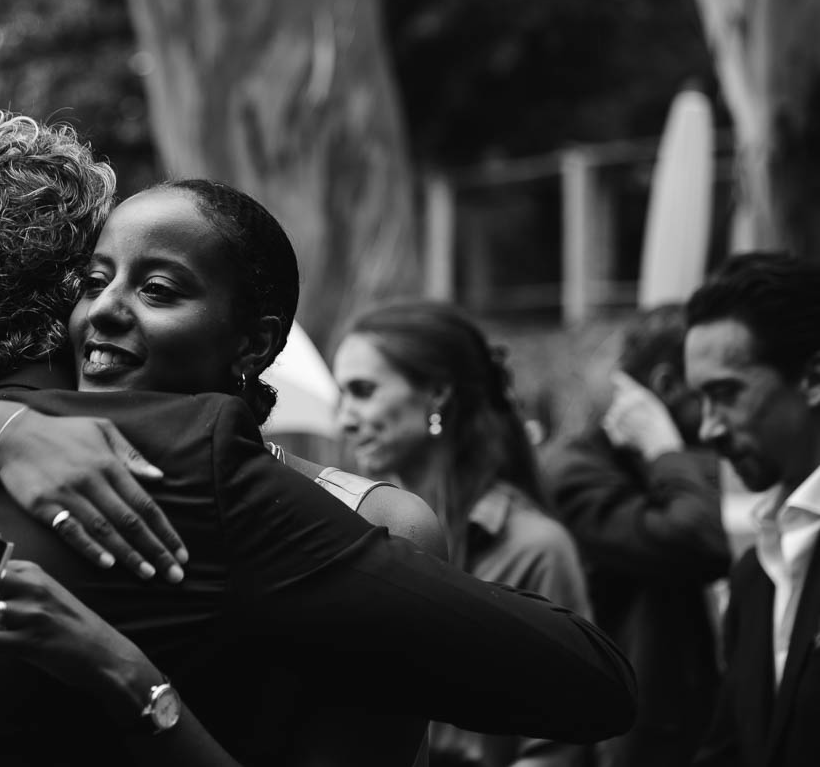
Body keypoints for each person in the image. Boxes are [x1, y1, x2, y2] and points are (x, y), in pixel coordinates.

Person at [0, 112, 635, 767]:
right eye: (94, 279)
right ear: (63, 298)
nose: (105, 310)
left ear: (256, 341)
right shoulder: (177, 460)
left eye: (158, 287)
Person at [332, 299, 593, 767]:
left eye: (363, 391)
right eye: (341, 396)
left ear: (436, 395)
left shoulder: (535, 549)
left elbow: (560, 748)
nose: (344, 419)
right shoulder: (349, 530)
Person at [544, 305, 729, 767]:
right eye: (704, 395)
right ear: (665, 384)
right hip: (630, 744)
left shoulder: (653, 466)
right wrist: (663, 446)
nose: (714, 420)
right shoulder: (581, 474)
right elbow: (702, 542)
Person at [686, 253, 820, 767]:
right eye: (701, 399)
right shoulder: (755, 574)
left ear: (811, 379)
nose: (708, 428)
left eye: (725, 394)